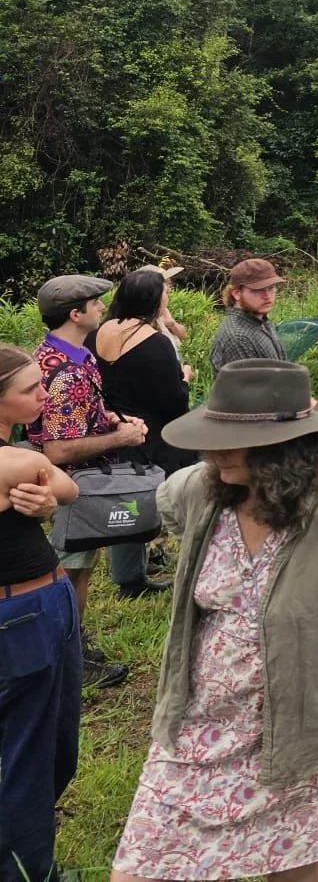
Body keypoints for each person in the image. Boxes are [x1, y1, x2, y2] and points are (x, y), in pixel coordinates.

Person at [110, 359, 318, 882]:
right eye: (212, 435)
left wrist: (312, 632)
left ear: (285, 448)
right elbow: (151, 508)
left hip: (297, 724)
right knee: (143, 864)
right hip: (200, 724)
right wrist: (56, 497)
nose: (212, 451)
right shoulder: (205, 488)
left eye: (229, 440)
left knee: (291, 860)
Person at [28, 273, 147, 687]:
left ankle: (71, 647)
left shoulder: (78, 355)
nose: (102, 308)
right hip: (69, 485)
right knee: (70, 572)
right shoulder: (64, 373)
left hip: (84, 484)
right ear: (75, 314)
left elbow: (91, 408)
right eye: (95, 304)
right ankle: (72, 658)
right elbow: (57, 450)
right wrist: (121, 437)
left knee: (81, 566)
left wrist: (115, 419)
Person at [0, 344, 82, 882]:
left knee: (35, 742)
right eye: (30, 388)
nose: (44, 394)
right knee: (33, 750)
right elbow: (64, 482)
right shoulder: (21, 461)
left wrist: (48, 502)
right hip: (26, 608)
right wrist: (51, 489)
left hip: (33, 601)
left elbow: (65, 492)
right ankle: (30, 870)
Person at [94, 265, 197, 598]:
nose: (168, 294)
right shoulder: (153, 343)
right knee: (146, 501)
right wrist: (184, 377)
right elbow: (174, 401)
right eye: (164, 291)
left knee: (125, 500)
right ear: (153, 300)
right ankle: (137, 576)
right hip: (151, 433)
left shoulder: (100, 330)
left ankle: (129, 573)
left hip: (113, 426)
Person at [208, 258, 286, 374]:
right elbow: (252, 390)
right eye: (258, 290)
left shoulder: (260, 320)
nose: (267, 296)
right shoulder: (238, 338)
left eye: (271, 288)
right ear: (237, 294)